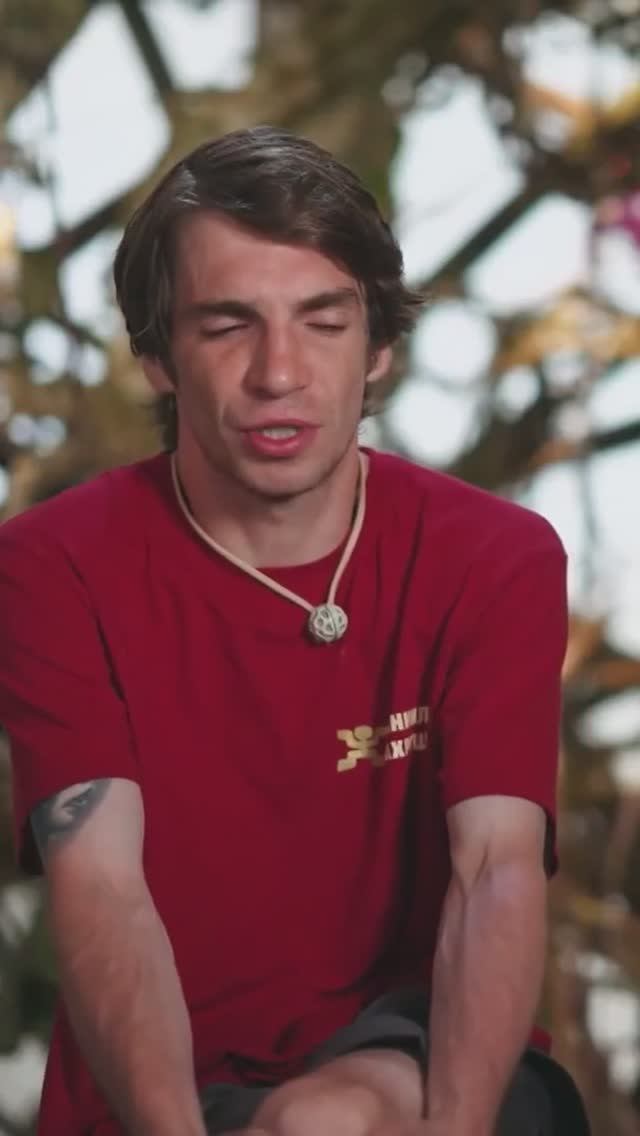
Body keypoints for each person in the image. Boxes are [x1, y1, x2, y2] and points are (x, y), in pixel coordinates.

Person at [0, 125, 590, 1136]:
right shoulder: (52, 564)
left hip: (419, 1061)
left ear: (379, 347)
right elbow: (101, 887)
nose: (280, 372)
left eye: (323, 321)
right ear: (156, 355)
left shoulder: (495, 555)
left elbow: (494, 869)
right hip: (155, 1086)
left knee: (324, 1120)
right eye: (228, 325)